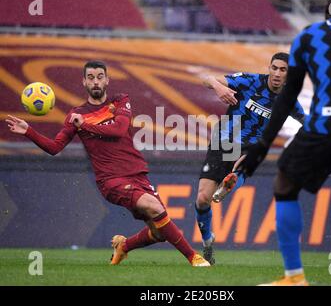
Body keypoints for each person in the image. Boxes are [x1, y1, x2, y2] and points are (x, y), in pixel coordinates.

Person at [6, 60, 210, 267]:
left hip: (137, 174)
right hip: (110, 180)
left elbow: (119, 130)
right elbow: (55, 147)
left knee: (159, 232)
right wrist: (29, 131)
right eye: (91, 78)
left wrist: (84, 124)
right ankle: (194, 258)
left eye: (100, 77)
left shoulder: (120, 101)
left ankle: (124, 246)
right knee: (154, 207)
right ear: (84, 82)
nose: (96, 82)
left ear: (107, 80)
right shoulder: (76, 115)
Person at [236, 0, 331, 285]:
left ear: (327, 9)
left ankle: (294, 276)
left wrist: (262, 146)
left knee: (285, 184)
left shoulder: (310, 35)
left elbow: (288, 96)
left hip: (324, 126)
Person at [195, 53, 305, 265]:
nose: (277, 73)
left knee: (248, 158)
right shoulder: (251, 81)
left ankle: (232, 181)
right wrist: (219, 88)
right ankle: (208, 241)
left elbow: (307, 121)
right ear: (269, 68)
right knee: (201, 199)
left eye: (283, 70)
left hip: (252, 146)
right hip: (224, 141)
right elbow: (206, 78)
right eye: (274, 68)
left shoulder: (289, 99)